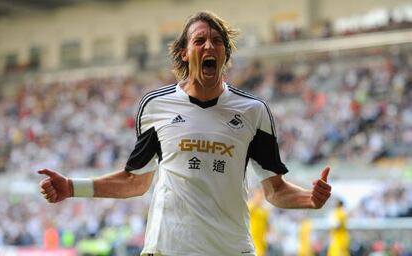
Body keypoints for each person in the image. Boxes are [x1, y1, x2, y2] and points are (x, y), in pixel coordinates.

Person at [38, 11, 332, 256]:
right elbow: (135, 181)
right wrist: (72, 187)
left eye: (217, 41)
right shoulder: (156, 106)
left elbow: (275, 190)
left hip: (230, 249)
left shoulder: (253, 111)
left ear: (225, 54)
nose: (209, 47)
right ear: (184, 52)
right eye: (199, 40)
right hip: (168, 248)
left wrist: (311, 199)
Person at [248, 188, 270, 256]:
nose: (261, 197)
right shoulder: (250, 206)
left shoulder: (265, 211)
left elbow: (267, 226)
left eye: (262, 195)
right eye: (259, 194)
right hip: (251, 241)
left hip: (261, 243)